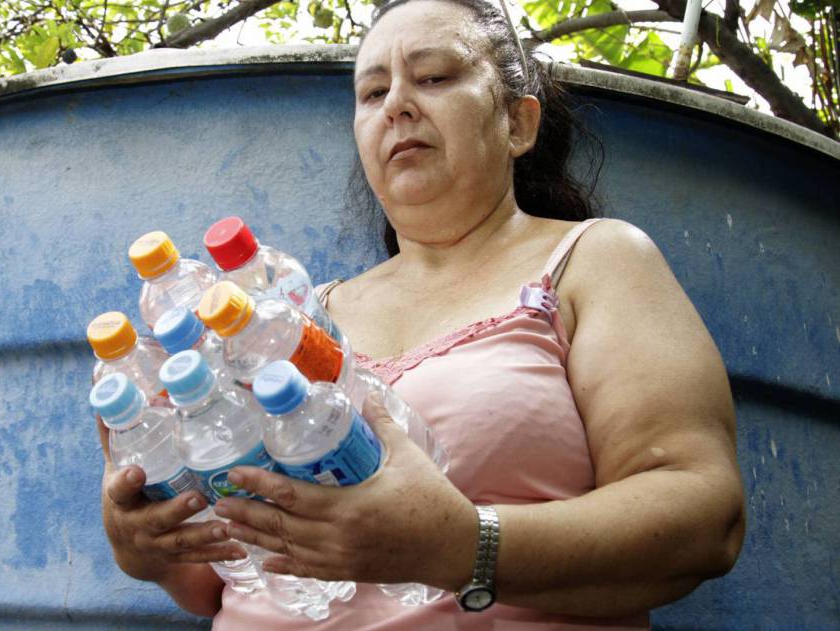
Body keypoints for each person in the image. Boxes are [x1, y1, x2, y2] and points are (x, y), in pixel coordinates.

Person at [96, 0, 747, 627]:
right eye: (373, 93)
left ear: (518, 123)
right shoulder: (296, 316)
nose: (399, 104)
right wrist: (152, 546)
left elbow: (704, 517)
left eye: (433, 77)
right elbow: (223, 574)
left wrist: (464, 545)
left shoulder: (593, 260)